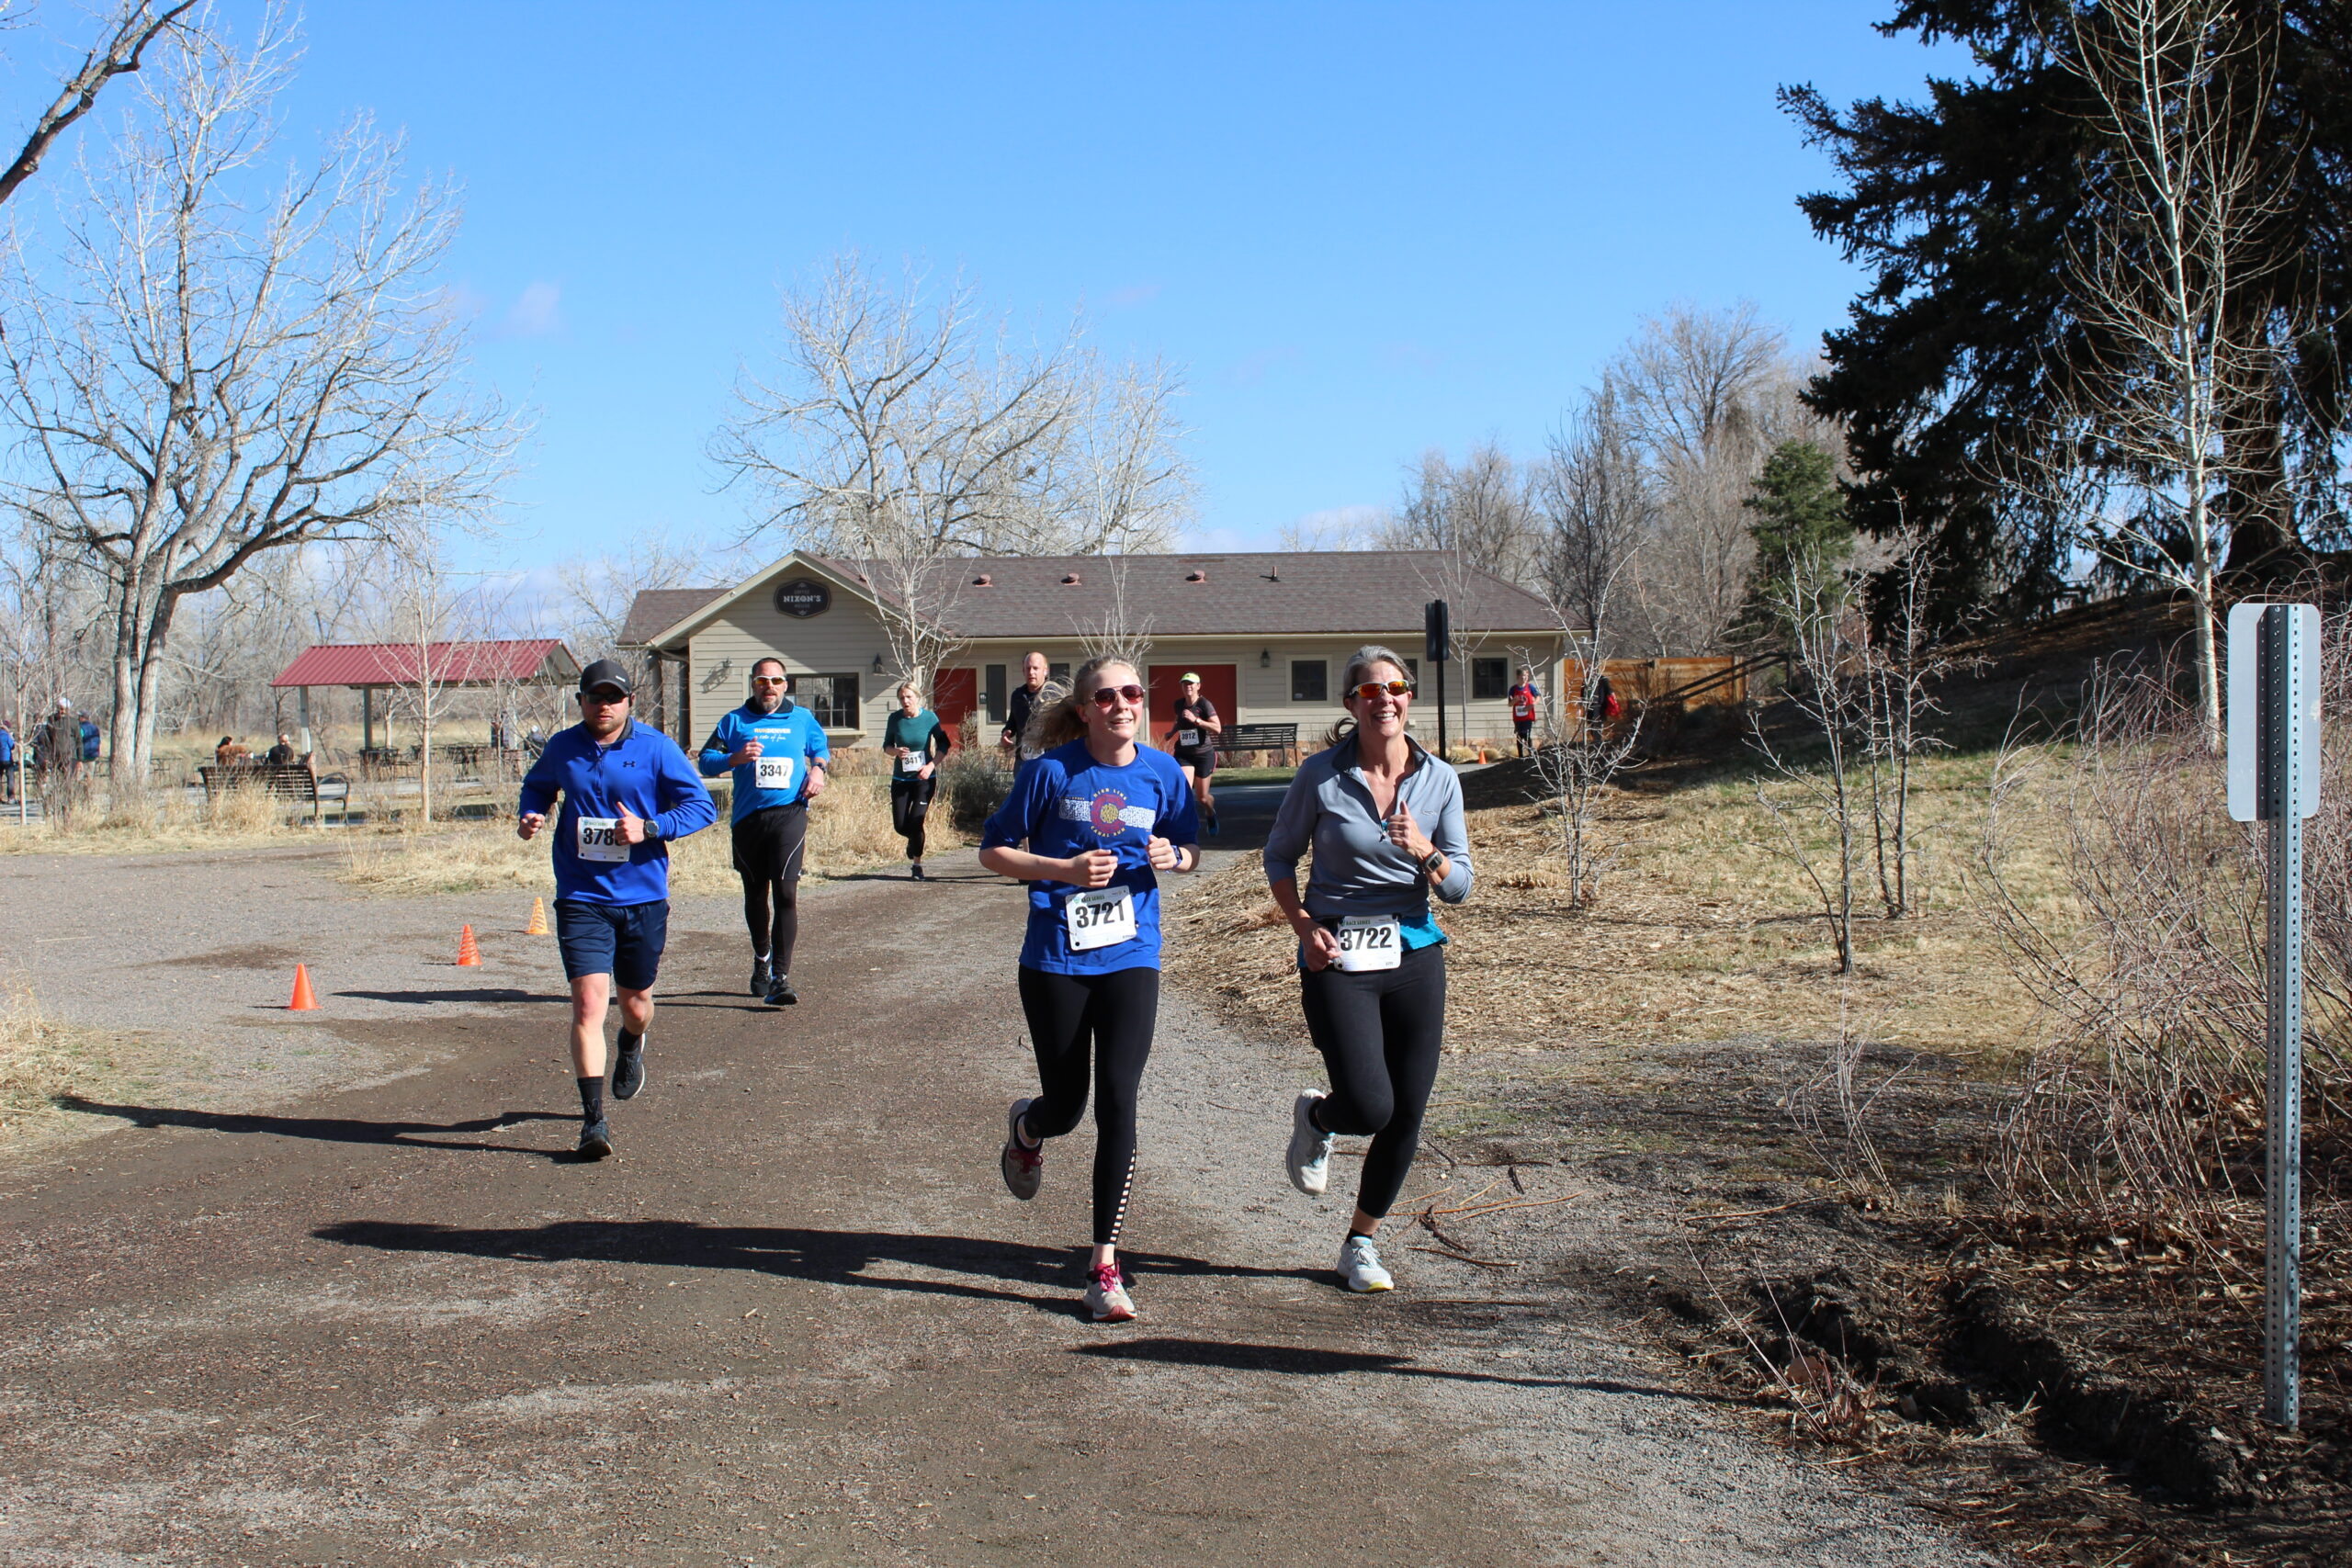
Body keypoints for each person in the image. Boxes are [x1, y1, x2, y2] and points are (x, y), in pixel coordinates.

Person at [978, 656, 1201, 1323]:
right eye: (1106, 696)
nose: (1121, 703)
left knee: (1120, 1101)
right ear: (1084, 709)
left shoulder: (1162, 772)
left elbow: (1190, 845)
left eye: (1131, 692)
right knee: (1069, 1106)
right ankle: (1029, 1125)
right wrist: (1063, 869)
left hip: (1133, 953)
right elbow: (993, 850)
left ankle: (1104, 1265)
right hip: (1055, 959)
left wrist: (1174, 856)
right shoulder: (1050, 772)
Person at [1265, 646, 1474, 1293]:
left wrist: (1426, 850)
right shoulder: (1321, 776)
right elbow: (1278, 859)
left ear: (1409, 696)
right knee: (1372, 1103)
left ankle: (1360, 1242)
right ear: (1351, 703)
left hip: (1415, 952)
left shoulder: (1440, 779)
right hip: (1339, 954)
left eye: (1397, 686)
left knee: (1408, 1110)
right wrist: (1304, 927)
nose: (1385, 698)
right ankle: (1322, 1118)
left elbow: (1461, 885)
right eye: (1370, 690)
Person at [517, 659, 716, 1159]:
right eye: (593, 697)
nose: (603, 705)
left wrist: (649, 828)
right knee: (587, 1006)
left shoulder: (655, 748)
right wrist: (532, 811)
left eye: (614, 697)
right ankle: (593, 1122)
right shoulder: (563, 746)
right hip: (582, 896)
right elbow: (539, 783)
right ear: (581, 701)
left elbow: (702, 807)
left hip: (642, 898)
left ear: (629, 701)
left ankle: (631, 1043)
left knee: (635, 1007)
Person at [698, 657, 830, 1005]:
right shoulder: (734, 721)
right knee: (755, 895)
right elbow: (705, 760)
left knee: (785, 893)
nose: (768, 687)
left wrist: (818, 771)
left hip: (789, 814)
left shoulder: (801, 718)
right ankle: (762, 959)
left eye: (775, 681)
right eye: (761, 681)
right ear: (753, 684)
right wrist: (734, 758)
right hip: (748, 820)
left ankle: (781, 978)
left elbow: (820, 749)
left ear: (786, 685)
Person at [883, 682, 950, 879]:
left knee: (916, 820)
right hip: (901, 779)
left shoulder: (929, 718)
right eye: (902, 698)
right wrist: (895, 751)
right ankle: (913, 841)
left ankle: (917, 865)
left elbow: (944, 744)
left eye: (909, 697)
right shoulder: (895, 719)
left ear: (917, 698)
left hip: (924, 779)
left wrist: (930, 766)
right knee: (901, 825)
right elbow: (886, 745)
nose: (905, 701)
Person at [1162, 672, 1223, 835]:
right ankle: (1185, 827)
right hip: (1184, 754)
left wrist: (1197, 720)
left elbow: (1217, 728)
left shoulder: (1204, 704)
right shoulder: (1179, 704)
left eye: (1191, 683)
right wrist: (1172, 731)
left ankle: (1210, 813)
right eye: (1185, 684)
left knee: (1202, 798)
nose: (1188, 686)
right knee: (1184, 792)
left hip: (1204, 754)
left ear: (1198, 686)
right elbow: (1179, 721)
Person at [1000, 650, 1049, 761]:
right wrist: (1006, 734)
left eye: (1035, 668)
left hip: (1049, 759)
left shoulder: (1054, 695)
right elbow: (1012, 723)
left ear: (1045, 671)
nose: (1031, 672)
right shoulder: (1018, 695)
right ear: (1023, 671)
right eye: (1028, 668)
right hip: (1023, 759)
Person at [1508, 667, 1541, 758]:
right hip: (1518, 716)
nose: (1524, 678)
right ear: (1518, 677)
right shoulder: (1513, 689)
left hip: (1528, 715)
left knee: (1526, 734)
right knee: (1519, 735)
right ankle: (1520, 756)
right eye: (1522, 676)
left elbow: (1538, 697)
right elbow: (1510, 704)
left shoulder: (1530, 687)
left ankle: (1531, 754)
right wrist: (1514, 700)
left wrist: (1533, 704)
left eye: (1526, 676)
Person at [0, 719, 17, 804]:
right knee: (10, 778)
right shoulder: (7, 735)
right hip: (7, 759)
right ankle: (11, 797)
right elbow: (12, 746)